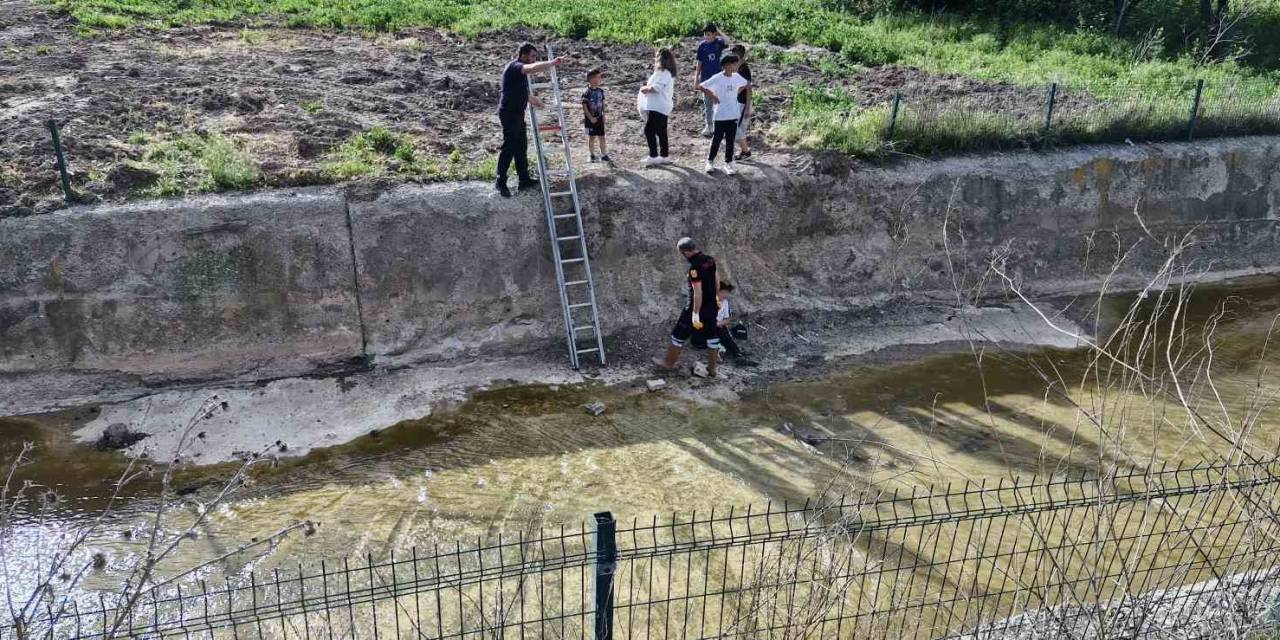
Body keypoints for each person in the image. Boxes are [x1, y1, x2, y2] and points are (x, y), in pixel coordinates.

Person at [495, 43, 564, 198]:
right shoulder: (515, 66)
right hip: (509, 113)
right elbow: (531, 69)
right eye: (532, 56)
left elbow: (520, 92)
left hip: (518, 114)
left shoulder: (519, 74)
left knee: (521, 146)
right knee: (509, 147)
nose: (534, 59)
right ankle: (500, 181)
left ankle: (524, 179)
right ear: (523, 55)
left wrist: (534, 100)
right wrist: (552, 63)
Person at [656, 237, 721, 378]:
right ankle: (712, 370)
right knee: (712, 337)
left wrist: (695, 314)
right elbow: (717, 281)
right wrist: (716, 298)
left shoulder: (694, 268)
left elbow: (698, 292)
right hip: (712, 307)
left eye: (682, 253)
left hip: (696, 308)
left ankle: (668, 364)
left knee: (677, 335)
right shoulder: (710, 259)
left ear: (685, 252)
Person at [698, 53, 748, 176]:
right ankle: (710, 161)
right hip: (720, 115)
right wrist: (713, 96)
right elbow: (701, 86)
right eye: (734, 63)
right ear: (727, 65)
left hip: (733, 114)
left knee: (730, 140)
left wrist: (736, 92)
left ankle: (728, 163)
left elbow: (746, 84)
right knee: (717, 139)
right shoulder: (718, 77)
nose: (737, 65)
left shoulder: (737, 77)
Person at [638, 48, 677, 167]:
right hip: (660, 106)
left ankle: (653, 156)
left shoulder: (664, 73)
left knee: (649, 130)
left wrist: (644, 89)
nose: (655, 59)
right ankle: (664, 156)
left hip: (658, 106)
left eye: (656, 57)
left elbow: (656, 88)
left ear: (661, 59)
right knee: (661, 131)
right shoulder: (664, 73)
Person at [693, 23, 728, 138]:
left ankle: (720, 127)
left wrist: (719, 31)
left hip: (718, 79)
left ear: (714, 34)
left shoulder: (719, 43)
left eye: (708, 34)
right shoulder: (702, 46)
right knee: (707, 104)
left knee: (718, 103)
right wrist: (696, 77)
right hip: (706, 80)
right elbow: (699, 63)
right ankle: (709, 126)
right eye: (705, 34)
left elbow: (728, 41)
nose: (706, 37)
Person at [714, 282, 757, 365]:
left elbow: (726, 318)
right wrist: (720, 323)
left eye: (727, 293)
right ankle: (722, 351)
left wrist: (734, 318)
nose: (726, 295)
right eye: (724, 293)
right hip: (708, 328)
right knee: (719, 332)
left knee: (726, 334)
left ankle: (738, 355)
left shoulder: (725, 302)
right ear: (717, 291)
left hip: (719, 327)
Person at [582, 67, 611, 163]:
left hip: (599, 118)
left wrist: (604, 115)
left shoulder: (601, 91)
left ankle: (604, 154)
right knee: (592, 137)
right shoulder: (586, 92)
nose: (599, 79)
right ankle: (591, 155)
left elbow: (602, 104)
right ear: (591, 79)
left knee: (602, 136)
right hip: (590, 120)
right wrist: (590, 117)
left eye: (600, 77)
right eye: (597, 77)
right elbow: (585, 106)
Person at [730, 45, 754, 160]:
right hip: (740, 103)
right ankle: (743, 152)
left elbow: (748, 88)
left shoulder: (744, 69)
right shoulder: (739, 67)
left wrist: (748, 107)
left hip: (743, 103)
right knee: (738, 129)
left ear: (738, 56)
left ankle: (745, 152)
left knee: (736, 128)